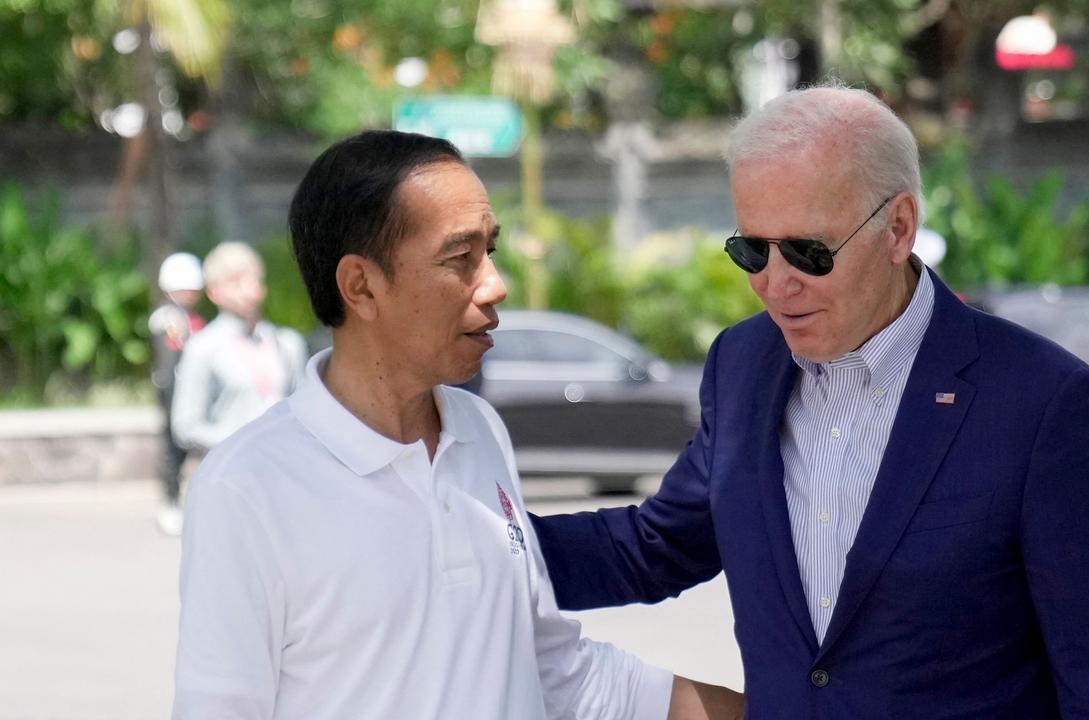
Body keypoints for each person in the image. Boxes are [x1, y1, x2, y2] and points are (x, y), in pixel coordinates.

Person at [530, 85, 1089, 718]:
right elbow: (655, 547)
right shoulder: (742, 363)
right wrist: (468, 546)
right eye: (751, 250)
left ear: (898, 228)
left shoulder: (1043, 402)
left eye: (809, 252)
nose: (775, 284)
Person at [173, 130, 742, 720]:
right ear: (360, 286)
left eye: (490, 251)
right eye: (459, 258)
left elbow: (549, 668)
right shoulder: (245, 488)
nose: (495, 284)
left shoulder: (477, 429)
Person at [169, 241, 307, 456]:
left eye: (254, 279)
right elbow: (186, 426)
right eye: (235, 281)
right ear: (214, 292)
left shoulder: (287, 343)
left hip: (285, 470)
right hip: (232, 474)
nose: (249, 289)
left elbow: (303, 412)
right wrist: (244, 444)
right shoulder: (203, 348)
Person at [149, 252, 207, 535]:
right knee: (173, 451)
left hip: (191, 392)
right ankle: (170, 503)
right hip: (173, 391)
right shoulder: (168, 318)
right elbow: (169, 361)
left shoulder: (190, 317)